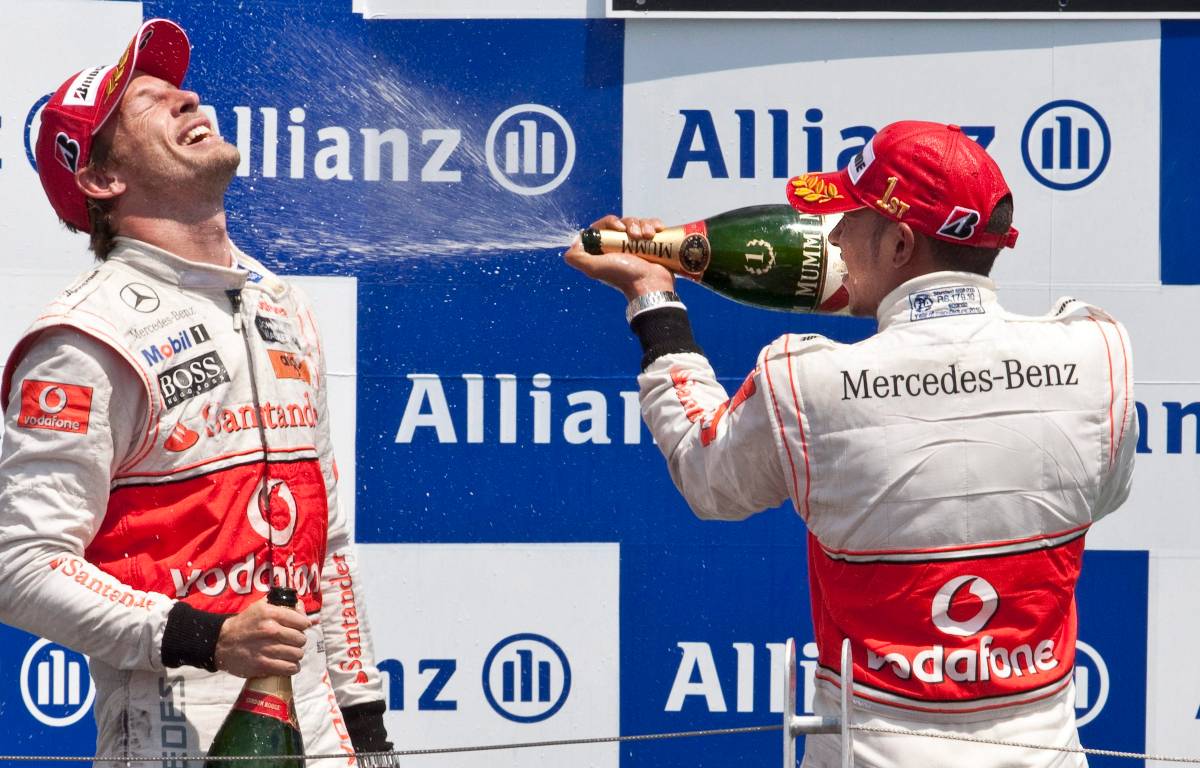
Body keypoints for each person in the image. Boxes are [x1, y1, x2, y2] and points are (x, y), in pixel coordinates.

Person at [564, 121, 1136, 767]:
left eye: (848, 217)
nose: (832, 236)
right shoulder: (1097, 355)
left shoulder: (809, 383)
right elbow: (1107, 489)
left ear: (897, 242)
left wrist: (653, 298)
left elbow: (707, 478)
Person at [0, 19, 395, 766]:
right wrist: (206, 637)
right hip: (173, 728)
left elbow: (328, 552)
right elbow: (20, 564)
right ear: (102, 179)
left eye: (179, 87)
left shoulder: (279, 301)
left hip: (320, 732)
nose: (185, 98)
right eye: (148, 102)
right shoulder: (84, 338)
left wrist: (368, 729)